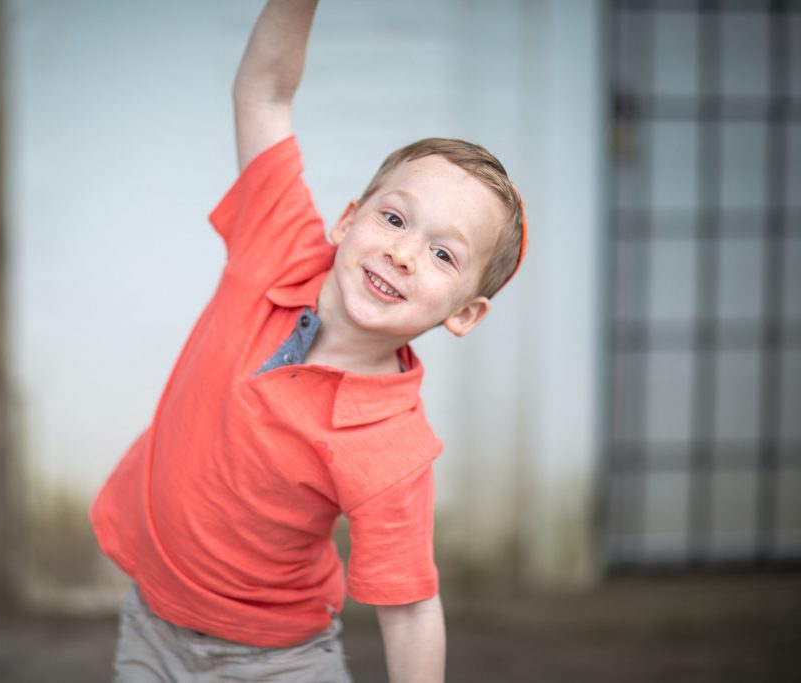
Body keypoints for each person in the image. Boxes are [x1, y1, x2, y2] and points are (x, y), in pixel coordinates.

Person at [90, 1, 527, 681]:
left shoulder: (392, 446)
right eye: (393, 217)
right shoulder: (278, 246)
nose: (405, 253)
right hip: (151, 619)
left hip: (276, 660)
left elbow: (410, 608)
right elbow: (263, 92)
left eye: (444, 255)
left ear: (465, 314)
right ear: (347, 219)